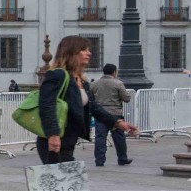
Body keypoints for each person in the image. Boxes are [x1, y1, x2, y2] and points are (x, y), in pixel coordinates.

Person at [36, 35, 137, 165]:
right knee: (60, 181)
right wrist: (53, 135)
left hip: (68, 140)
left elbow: (93, 107)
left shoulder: (80, 80)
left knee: (63, 182)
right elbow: (47, 106)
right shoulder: (57, 75)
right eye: (84, 49)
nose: (89, 53)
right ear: (71, 52)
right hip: (53, 141)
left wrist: (118, 123)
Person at [90, 62, 133, 167]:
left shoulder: (94, 84)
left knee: (100, 137)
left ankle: (99, 160)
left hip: (100, 114)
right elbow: (126, 99)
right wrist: (128, 95)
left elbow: (90, 97)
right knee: (119, 138)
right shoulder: (118, 83)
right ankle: (122, 158)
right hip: (116, 114)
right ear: (114, 72)